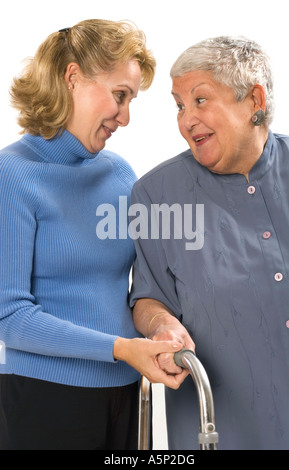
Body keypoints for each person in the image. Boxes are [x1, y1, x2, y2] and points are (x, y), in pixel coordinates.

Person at [0, 19, 184, 451]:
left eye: (131, 100)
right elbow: (9, 318)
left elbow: (150, 281)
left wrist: (161, 328)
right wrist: (122, 348)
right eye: (120, 96)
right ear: (72, 77)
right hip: (44, 398)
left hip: (125, 393)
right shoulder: (11, 175)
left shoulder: (120, 173)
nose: (125, 116)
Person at [130, 36, 289, 450]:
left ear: (253, 99)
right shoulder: (156, 195)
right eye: (179, 105)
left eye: (200, 100)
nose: (187, 119)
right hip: (227, 428)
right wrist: (162, 326)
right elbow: (148, 299)